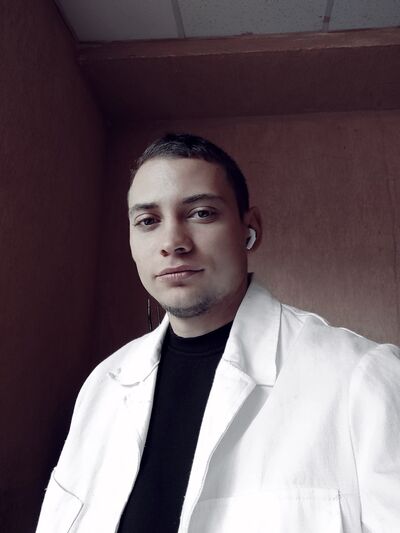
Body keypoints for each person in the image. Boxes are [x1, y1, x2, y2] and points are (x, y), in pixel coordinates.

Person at [36, 133, 400, 533]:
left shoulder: (361, 377)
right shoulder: (103, 385)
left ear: (249, 228)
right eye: (148, 221)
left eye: (201, 213)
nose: (172, 243)